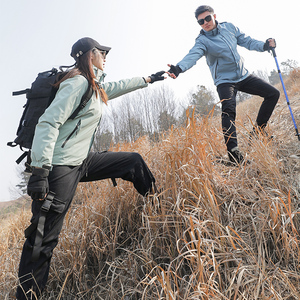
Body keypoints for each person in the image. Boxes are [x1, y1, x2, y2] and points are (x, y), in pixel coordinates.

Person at [16, 37, 166, 299]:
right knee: (43, 237)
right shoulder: (77, 82)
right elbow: (48, 123)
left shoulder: (94, 85)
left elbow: (117, 87)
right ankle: (28, 295)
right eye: (102, 51)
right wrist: (39, 171)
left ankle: (162, 209)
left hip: (82, 160)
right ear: (88, 55)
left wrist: (149, 79)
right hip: (59, 167)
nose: (106, 55)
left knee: (132, 161)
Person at [167, 5, 280, 164]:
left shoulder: (229, 27)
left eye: (207, 18)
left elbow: (246, 41)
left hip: (243, 75)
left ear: (214, 16)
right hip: (225, 81)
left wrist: (264, 45)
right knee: (228, 111)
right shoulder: (202, 41)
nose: (205, 23)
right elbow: (192, 56)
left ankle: (258, 131)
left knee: (273, 94)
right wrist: (178, 68)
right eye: (201, 21)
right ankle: (234, 154)